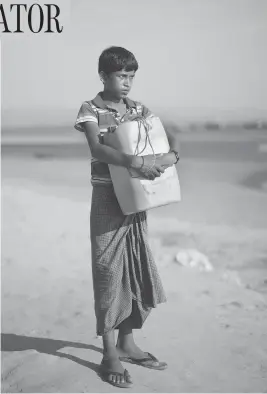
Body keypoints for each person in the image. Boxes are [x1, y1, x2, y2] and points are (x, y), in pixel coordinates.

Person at [74, 46, 180, 389]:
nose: (127, 83)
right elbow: (97, 148)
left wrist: (172, 156)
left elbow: (165, 133)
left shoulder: (139, 109)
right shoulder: (90, 109)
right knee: (107, 273)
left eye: (132, 76)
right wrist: (136, 163)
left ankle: (127, 342)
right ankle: (109, 354)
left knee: (134, 267)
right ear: (104, 76)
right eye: (121, 76)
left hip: (136, 197)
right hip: (107, 197)